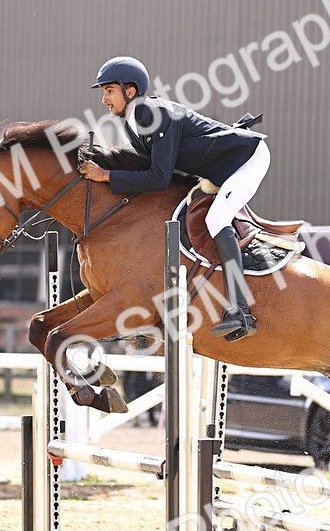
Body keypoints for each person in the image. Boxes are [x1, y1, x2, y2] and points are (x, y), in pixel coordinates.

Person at [80, 56, 268, 341]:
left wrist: (107, 176)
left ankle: (241, 311)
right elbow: (146, 170)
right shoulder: (133, 123)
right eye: (104, 92)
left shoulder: (151, 114)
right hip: (218, 169)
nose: (104, 99)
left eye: (109, 91)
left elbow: (157, 178)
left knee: (216, 218)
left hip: (246, 160)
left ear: (129, 91)